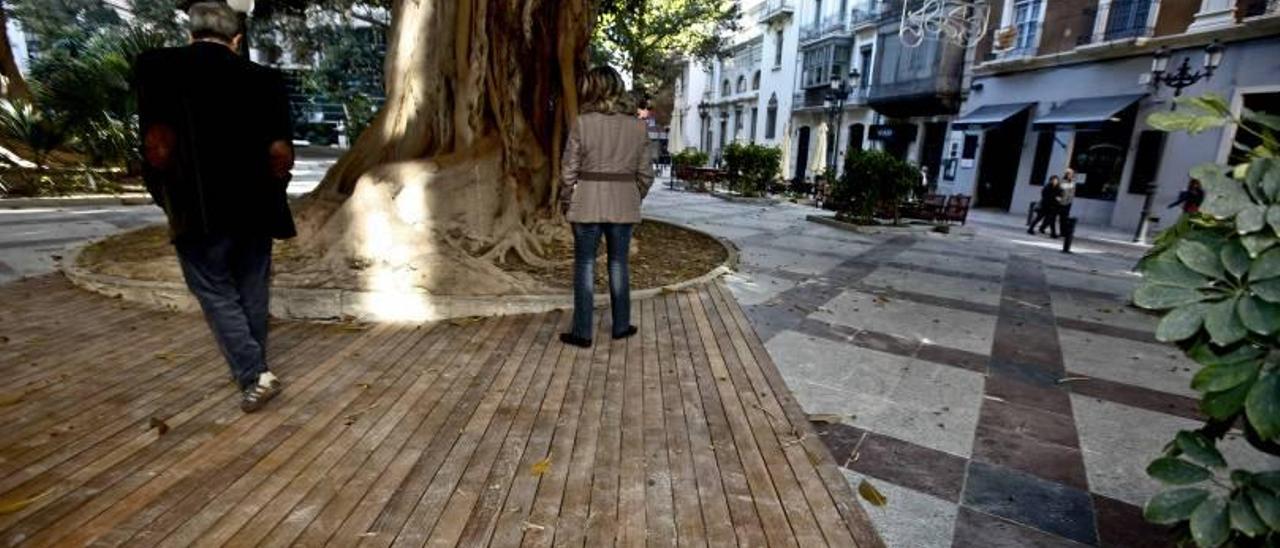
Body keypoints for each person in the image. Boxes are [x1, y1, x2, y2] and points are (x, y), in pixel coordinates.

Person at [133, 2, 295, 413]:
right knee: (252, 290)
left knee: (214, 290)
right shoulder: (266, 80)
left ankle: (254, 374)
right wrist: (273, 194)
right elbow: (281, 154)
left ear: (190, 33)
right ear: (236, 40)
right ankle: (253, 369)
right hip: (256, 207)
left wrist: (167, 198)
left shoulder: (158, 68)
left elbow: (157, 147)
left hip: (199, 207)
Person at [558, 66, 655, 348]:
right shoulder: (638, 127)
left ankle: (582, 333)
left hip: (587, 201)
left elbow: (568, 172)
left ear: (594, 89)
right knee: (619, 263)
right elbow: (646, 174)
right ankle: (621, 326)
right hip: (624, 203)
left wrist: (568, 201)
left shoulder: (582, 123)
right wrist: (632, 195)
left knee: (585, 264)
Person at [1056, 168, 1077, 238]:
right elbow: (1059, 191)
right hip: (1060, 203)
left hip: (1068, 203)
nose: (1071, 175)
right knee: (1059, 218)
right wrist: (1059, 199)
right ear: (1066, 174)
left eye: (1072, 174)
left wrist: (1069, 201)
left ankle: (1064, 232)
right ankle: (1043, 227)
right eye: (1069, 174)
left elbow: (1072, 193)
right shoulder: (1061, 181)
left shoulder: (1072, 182)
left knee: (1064, 218)